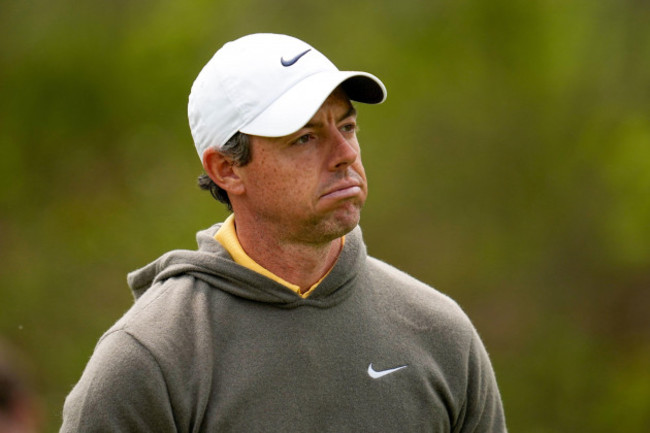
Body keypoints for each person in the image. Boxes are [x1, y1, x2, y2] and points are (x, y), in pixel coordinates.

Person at [61, 33, 507, 432]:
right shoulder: (149, 359)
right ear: (226, 169)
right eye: (305, 138)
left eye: (347, 126)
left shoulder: (440, 332)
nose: (345, 154)